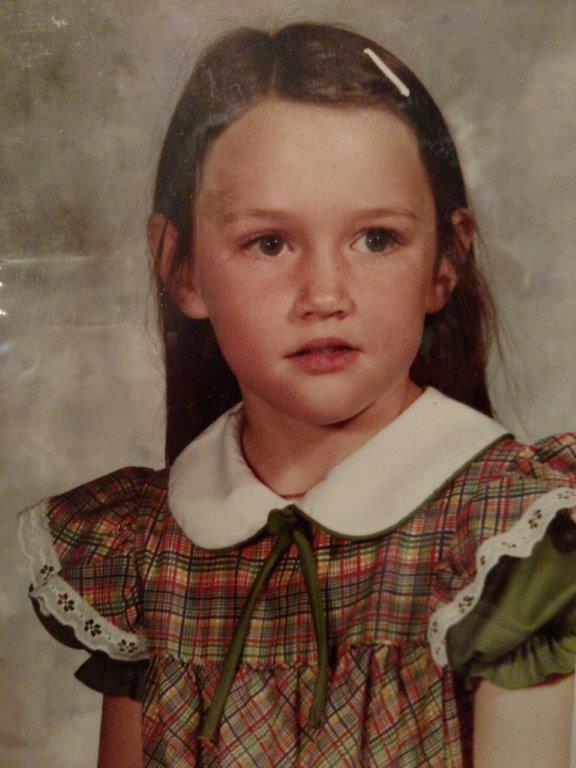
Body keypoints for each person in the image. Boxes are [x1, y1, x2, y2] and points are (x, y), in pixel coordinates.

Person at [18, 22, 576, 768]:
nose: (324, 294)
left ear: (445, 262)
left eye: (376, 239)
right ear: (181, 267)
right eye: (269, 243)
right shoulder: (144, 549)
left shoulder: (505, 537)